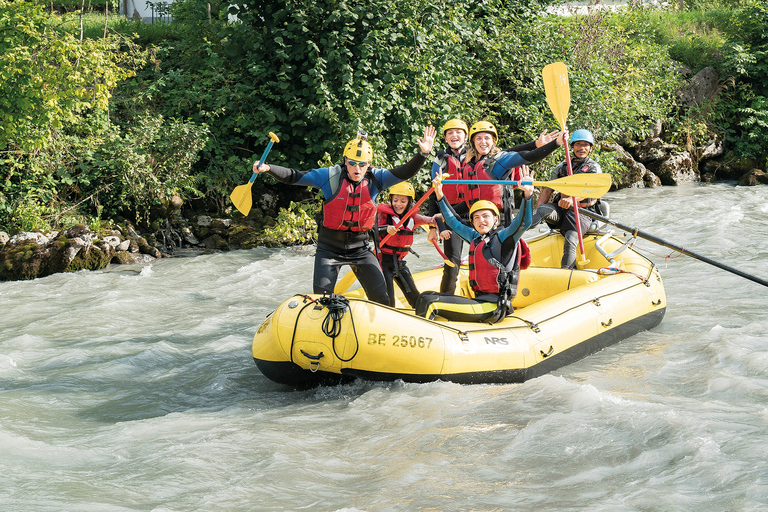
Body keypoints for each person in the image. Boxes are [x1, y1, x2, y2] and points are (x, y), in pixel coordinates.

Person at [252, 126, 437, 304]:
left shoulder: (376, 178)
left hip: (360, 248)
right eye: (352, 163)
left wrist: (423, 154)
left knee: (383, 300)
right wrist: (269, 168)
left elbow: (404, 172)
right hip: (329, 249)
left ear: (369, 165)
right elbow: (294, 176)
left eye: (362, 164)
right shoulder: (329, 176)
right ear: (345, 161)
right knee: (322, 301)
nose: (357, 169)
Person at [428, 119, 565, 294]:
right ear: (472, 143)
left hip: (498, 225)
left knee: (499, 267)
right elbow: (471, 201)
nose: (483, 142)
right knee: (455, 263)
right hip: (473, 219)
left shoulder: (500, 161)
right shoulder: (468, 164)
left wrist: (556, 143)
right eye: (478, 139)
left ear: (493, 141)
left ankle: (503, 300)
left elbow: (528, 157)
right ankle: (449, 299)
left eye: (487, 138)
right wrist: (445, 214)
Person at [414, 166, 536, 323]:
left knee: (429, 302)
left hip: (493, 306)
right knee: (425, 296)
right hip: (479, 301)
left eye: (486, 216)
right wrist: (440, 195)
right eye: (476, 218)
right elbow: (452, 221)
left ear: (495, 220)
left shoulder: (505, 237)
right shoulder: (474, 237)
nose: (481, 221)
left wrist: (527, 195)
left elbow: (523, 223)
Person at [530, 129, 602, 269]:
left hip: (583, 213)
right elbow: (547, 190)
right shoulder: (562, 167)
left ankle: (566, 270)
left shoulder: (594, 168)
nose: (581, 148)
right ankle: (517, 233)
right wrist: (538, 208)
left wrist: (573, 200)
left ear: (590, 148)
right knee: (543, 209)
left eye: (585, 145)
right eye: (578, 144)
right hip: (562, 210)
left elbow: (594, 191)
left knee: (570, 239)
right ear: (572, 147)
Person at [377, 181, 437, 308]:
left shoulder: (412, 218)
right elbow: (371, 230)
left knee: (415, 297)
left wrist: (436, 226)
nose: (398, 204)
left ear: (409, 203)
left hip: (399, 263)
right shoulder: (383, 215)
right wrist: (386, 229)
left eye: (403, 201)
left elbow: (431, 220)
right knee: (389, 301)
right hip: (383, 263)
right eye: (395, 200)